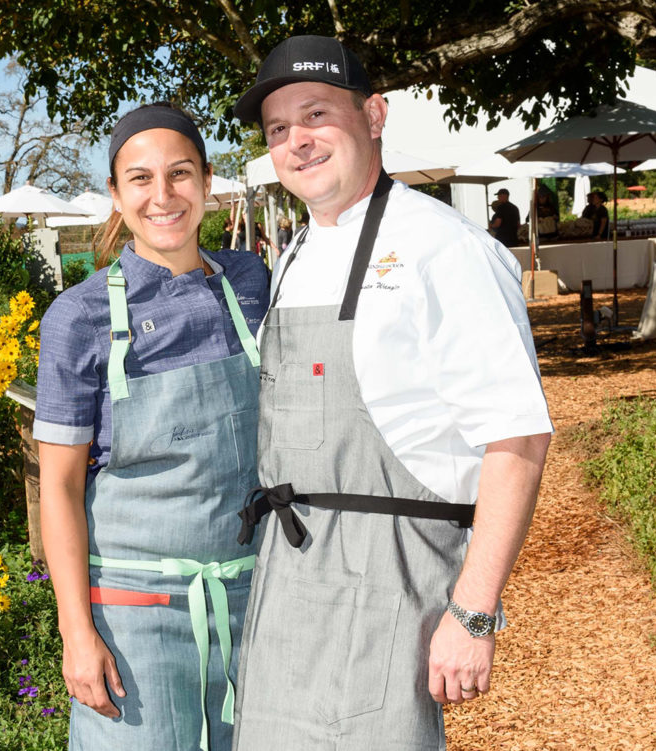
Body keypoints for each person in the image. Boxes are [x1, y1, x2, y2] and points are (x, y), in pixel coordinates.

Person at [229, 35, 552, 750]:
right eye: (278, 129)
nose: (297, 142)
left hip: (388, 585)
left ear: (374, 115)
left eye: (316, 115)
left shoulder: (447, 249)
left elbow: (519, 438)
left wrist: (472, 613)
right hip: (286, 586)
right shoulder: (291, 258)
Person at [34, 102, 270, 751]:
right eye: (140, 178)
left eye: (180, 173)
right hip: (133, 625)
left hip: (257, 607)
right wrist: (76, 635)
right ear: (116, 192)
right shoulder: (77, 318)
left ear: (207, 182)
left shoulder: (251, 286)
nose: (162, 195)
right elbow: (57, 487)